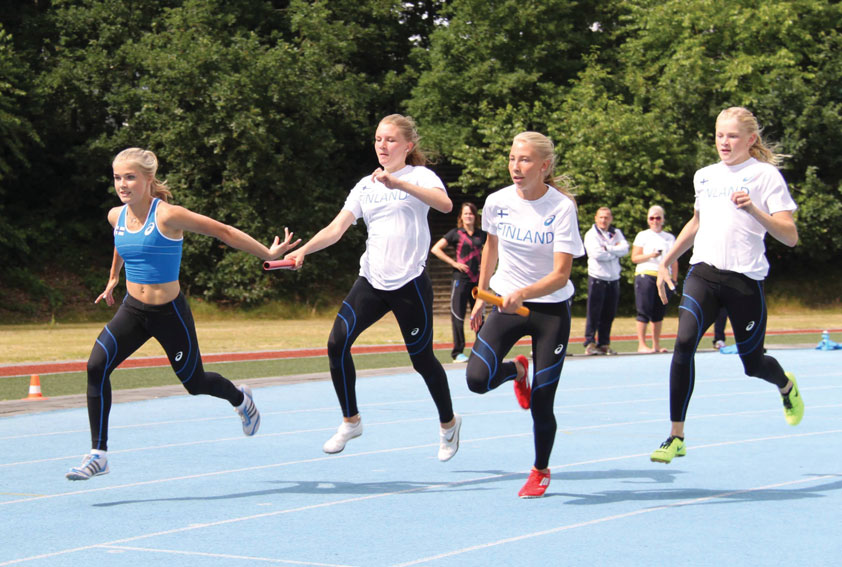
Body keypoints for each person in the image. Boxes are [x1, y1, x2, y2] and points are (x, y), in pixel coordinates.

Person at [66, 147, 299, 481]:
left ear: (148, 180)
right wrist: (114, 276)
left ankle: (240, 399)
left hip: (168, 313)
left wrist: (267, 252)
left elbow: (224, 231)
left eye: (130, 177)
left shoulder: (168, 216)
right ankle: (98, 454)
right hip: (133, 310)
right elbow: (120, 241)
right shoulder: (115, 216)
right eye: (117, 177)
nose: (122, 184)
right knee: (96, 366)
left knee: (195, 382)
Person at [284, 114, 461, 462]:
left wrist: (399, 184)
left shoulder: (420, 176)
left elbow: (445, 205)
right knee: (337, 342)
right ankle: (351, 420)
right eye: (379, 139)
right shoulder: (365, 185)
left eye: (391, 140)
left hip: (410, 283)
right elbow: (337, 229)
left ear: (407, 146)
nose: (383, 146)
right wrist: (302, 250)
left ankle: (448, 423)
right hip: (372, 281)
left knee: (422, 360)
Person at [650, 107, 804, 464]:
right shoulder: (704, 176)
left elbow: (790, 236)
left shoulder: (765, 176)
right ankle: (676, 436)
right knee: (684, 343)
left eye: (732, 136)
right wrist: (666, 261)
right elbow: (696, 222)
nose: (724, 141)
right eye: (719, 134)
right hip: (703, 274)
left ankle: (786, 385)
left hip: (744, 281)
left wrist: (754, 210)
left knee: (752, 364)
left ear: (750, 140)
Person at [466, 131, 585, 498]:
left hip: (549, 311)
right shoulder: (496, 202)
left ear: (544, 166)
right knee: (477, 379)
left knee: (543, 401)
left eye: (525, 160)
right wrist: (482, 296)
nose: (516, 167)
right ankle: (518, 370)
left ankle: (540, 469)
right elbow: (491, 247)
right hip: (506, 302)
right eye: (513, 159)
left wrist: (524, 293)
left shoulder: (562, 208)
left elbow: (560, 275)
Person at [430, 202, 487, 362]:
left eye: (471, 213)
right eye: (465, 213)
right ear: (461, 216)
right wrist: (454, 263)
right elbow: (436, 249)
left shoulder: (481, 235)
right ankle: (458, 352)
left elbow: (492, 249)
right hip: (460, 280)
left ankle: (481, 350)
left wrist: (485, 265)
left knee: (480, 315)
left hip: (477, 281)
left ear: (475, 216)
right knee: (458, 315)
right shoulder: (455, 233)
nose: (468, 216)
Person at [631, 205, 679, 353]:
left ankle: (656, 344)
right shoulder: (642, 235)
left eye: (658, 217)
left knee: (659, 312)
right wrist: (650, 255)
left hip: (663, 277)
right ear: (648, 220)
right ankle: (642, 344)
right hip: (646, 274)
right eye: (652, 218)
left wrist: (674, 280)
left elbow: (674, 260)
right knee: (644, 310)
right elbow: (635, 258)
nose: (655, 221)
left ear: (663, 219)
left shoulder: (669, 237)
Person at [582, 207, 628, 355]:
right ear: (596, 218)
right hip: (598, 278)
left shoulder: (616, 233)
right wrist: (614, 252)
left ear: (611, 219)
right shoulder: (591, 234)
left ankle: (604, 343)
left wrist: (607, 248)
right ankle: (590, 342)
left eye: (606, 217)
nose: (603, 220)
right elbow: (596, 254)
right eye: (601, 217)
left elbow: (625, 249)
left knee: (609, 314)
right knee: (594, 313)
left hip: (613, 279)